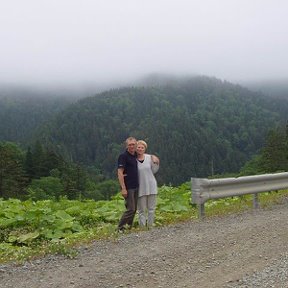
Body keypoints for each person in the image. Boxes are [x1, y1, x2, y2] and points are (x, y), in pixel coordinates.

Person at [136, 140, 160, 229]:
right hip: (140, 187)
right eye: (138, 147)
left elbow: (155, 170)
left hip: (151, 185)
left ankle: (150, 227)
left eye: (142, 147)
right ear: (136, 148)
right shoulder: (133, 160)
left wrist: (156, 161)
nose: (140, 149)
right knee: (141, 210)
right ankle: (142, 228)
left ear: (145, 149)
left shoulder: (150, 158)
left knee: (151, 208)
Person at [117, 137, 139, 231]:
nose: (132, 146)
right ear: (127, 146)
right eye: (130, 144)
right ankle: (120, 228)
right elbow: (120, 172)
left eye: (133, 144)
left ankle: (128, 228)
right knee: (130, 209)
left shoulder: (135, 155)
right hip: (128, 187)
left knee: (134, 209)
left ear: (136, 145)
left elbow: (145, 156)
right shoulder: (123, 156)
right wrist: (123, 188)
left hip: (136, 186)